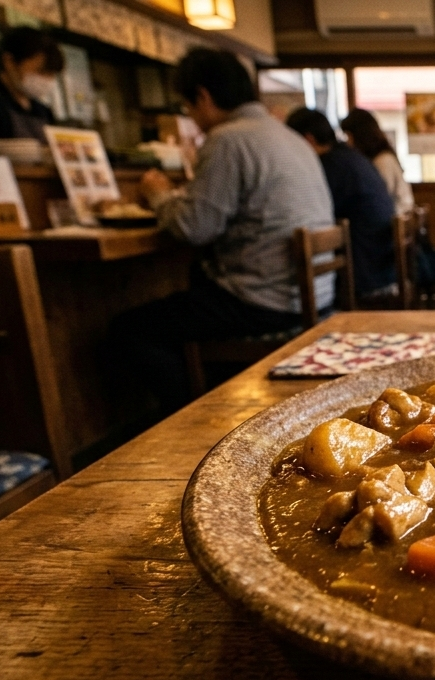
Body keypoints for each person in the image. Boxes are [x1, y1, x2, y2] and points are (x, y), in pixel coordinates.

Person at [109, 48, 335, 414]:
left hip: (265, 301)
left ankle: (187, 419)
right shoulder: (291, 137)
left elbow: (193, 227)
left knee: (129, 330)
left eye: (187, 106)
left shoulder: (228, 139)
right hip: (315, 296)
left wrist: (159, 196)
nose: (191, 115)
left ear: (203, 96)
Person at [285, 107, 398, 297]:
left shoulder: (332, 166)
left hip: (365, 276)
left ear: (308, 140)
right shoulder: (350, 157)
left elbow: (312, 217)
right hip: (381, 267)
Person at [341, 108, 415, 216]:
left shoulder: (383, 160)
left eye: (348, 136)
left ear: (359, 136)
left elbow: (379, 197)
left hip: (394, 219)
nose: (347, 142)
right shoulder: (379, 158)